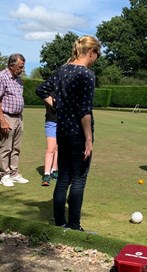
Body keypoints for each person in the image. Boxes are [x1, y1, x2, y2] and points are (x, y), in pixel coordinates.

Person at [36, 35, 101, 231]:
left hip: (62, 131)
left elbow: (41, 90)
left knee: (64, 178)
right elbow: (84, 111)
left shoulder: (62, 70)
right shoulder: (87, 75)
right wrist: (89, 139)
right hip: (78, 133)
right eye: (97, 54)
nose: (96, 58)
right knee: (79, 179)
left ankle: (59, 223)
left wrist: (57, 106)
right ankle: (74, 226)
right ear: (91, 52)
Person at [0, 53, 29, 187]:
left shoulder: (18, 80)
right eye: (20, 67)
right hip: (6, 116)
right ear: (11, 66)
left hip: (19, 117)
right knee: (6, 147)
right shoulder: (0, 77)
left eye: (22, 67)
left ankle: (14, 173)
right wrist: (2, 121)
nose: (22, 70)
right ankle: (4, 175)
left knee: (16, 147)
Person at [41, 96, 58, 186]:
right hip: (51, 122)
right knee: (50, 148)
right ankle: (46, 174)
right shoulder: (49, 89)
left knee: (58, 148)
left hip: (63, 121)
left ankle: (54, 170)